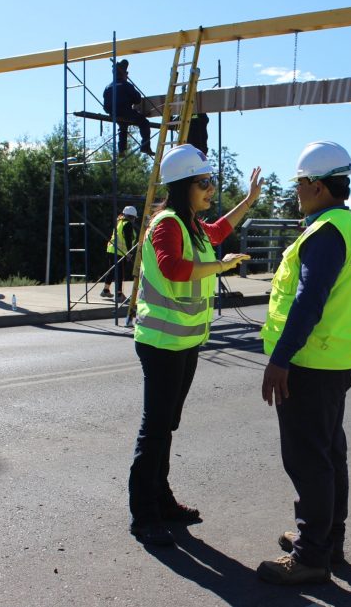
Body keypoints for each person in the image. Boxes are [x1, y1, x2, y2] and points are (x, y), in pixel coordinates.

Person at [128, 144, 263, 546]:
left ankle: (162, 500)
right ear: (185, 184)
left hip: (183, 342)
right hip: (162, 342)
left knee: (167, 425)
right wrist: (221, 265)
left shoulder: (191, 224)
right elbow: (172, 268)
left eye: (212, 182)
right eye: (204, 182)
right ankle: (144, 515)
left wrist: (249, 200)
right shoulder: (168, 223)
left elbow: (219, 229)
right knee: (155, 429)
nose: (210, 188)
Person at [256, 141, 351, 585]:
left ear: (319, 186)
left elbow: (309, 301)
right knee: (328, 453)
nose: (297, 192)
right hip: (338, 358)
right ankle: (328, 541)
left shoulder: (324, 233)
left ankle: (311, 557)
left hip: (311, 362)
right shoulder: (348, 228)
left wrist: (280, 359)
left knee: (308, 459)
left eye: (301, 183)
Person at [103, 59, 155, 157]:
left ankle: (121, 150)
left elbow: (105, 107)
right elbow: (137, 100)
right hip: (126, 112)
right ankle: (145, 147)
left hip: (113, 113)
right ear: (124, 74)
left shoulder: (108, 87)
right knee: (144, 123)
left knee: (123, 127)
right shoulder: (126, 85)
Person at [101, 205, 139, 302]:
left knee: (113, 270)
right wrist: (130, 253)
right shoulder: (128, 224)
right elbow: (128, 240)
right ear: (132, 217)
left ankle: (106, 290)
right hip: (119, 252)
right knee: (120, 273)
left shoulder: (119, 222)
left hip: (111, 249)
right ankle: (119, 294)